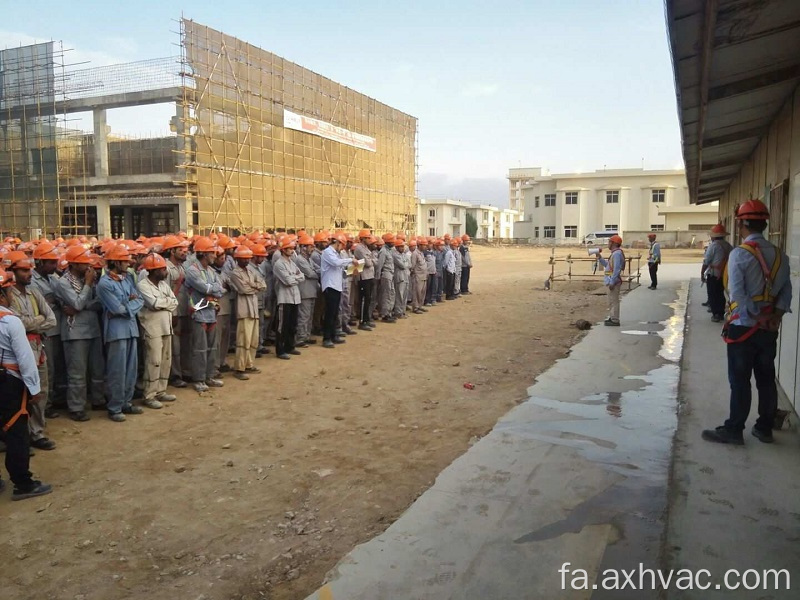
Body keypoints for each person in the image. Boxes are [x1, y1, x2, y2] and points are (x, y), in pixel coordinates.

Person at [702, 199, 791, 445]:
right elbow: (786, 292)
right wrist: (774, 316)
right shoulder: (780, 255)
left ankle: (734, 429)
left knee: (740, 380)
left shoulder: (740, 254)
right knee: (766, 377)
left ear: (741, 224)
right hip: (768, 329)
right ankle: (764, 428)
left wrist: (755, 316)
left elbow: (738, 294)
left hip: (744, 326)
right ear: (764, 224)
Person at [0, 267, 52, 501]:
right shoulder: (10, 322)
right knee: (17, 432)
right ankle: (22, 482)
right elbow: (25, 359)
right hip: (11, 381)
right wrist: (33, 390)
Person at [6, 251, 57, 450]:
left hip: (37, 347)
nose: (29, 274)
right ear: (12, 271)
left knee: (40, 391)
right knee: (20, 394)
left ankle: (36, 433)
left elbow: (51, 319)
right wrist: (36, 322)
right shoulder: (7, 295)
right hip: (17, 351)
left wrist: (31, 323)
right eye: (24, 270)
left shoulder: (34, 292)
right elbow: (17, 323)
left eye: (29, 270)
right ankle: (21, 437)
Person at [55, 245, 106, 421]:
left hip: (93, 329)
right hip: (74, 332)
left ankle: (98, 400)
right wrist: (87, 286)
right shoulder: (64, 282)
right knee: (77, 373)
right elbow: (77, 304)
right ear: (74, 264)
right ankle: (76, 407)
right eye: (84, 264)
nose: (89, 267)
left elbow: (99, 302)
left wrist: (82, 305)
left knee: (97, 369)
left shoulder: (89, 278)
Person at [96, 243, 145, 422]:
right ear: (115, 262)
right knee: (117, 370)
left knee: (130, 369)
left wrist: (127, 306)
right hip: (116, 331)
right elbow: (117, 309)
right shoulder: (104, 283)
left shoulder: (126, 279)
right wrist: (128, 305)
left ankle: (126, 402)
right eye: (124, 261)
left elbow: (140, 299)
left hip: (130, 329)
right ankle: (115, 406)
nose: (128, 263)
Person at [136, 253, 178, 409]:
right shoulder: (143, 285)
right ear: (153, 271)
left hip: (166, 326)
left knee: (166, 360)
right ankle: (149, 395)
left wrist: (164, 303)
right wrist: (166, 303)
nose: (165, 271)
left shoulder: (163, 285)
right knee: (153, 361)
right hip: (152, 328)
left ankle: (161, 391)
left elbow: (175, 302)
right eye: (162, 269)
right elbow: (153, 303)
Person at [31, 242, 67, 419]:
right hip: (47, 331)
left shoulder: (54, 278)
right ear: (39, 262)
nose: (54, 265)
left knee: (60, 367)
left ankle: (59, 398)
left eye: (55, 262)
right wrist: (52, 301)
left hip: (60, 326)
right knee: (49, 369)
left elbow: (58, 299)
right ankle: (48, 405)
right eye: (50, 262)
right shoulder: (31, 280)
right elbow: (41, 306)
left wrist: (53, 301)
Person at [184, 237, 225, 393]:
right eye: (211, 253)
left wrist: (211, 289)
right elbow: (204, 288)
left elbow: (220, 289)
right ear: (203, 253)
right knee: (200, 348)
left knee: (212, 347)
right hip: (199, 313)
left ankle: (209, 376)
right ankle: (199, 379)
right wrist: (212, 289)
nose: (214, 255)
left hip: (211, 312)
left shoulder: (211, 271)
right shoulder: (192, 270)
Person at [227, 245, 265, 378]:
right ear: (238, 259)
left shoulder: (250, 271)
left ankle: (249, 364)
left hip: (253, 308)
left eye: (248, 258)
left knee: (253, 339)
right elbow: (244, 290)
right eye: (244, 259)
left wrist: (253, 286)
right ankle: (239, 368)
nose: (247, 261)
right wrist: (255, 287)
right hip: (244, 309)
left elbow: (263, 284)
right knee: (243, 340)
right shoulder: (235, 273)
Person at [161, 235, 191, 388]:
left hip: (184, 308)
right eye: (180, 250)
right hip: (174, 311)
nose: (184, 252)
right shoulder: (166, 267)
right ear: (171, 251)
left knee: (185, 344)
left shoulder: (181, 266)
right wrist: (173, 313)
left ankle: (185, 371)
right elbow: (166, 292)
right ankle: (175, 375)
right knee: (175, 346)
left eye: (185, 250)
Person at [321, 234, 359, 348]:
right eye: (342, 246)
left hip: (337, 286)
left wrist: (351, 271)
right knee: (330, 313)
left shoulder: (336, 254)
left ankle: (333, 335)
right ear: (338, 243)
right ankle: (326, 338)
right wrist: (351, 260)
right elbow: (336, 263)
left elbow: (341, 270)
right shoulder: (327, 252)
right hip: (330, 286)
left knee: (335, 313)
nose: (342, 248)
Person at [272, 238, 304, 359]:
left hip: (295, 297)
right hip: (284, 298)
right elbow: (287, 281)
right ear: (283, 249)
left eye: (292, 248)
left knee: (292, 324)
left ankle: (290, 346)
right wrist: (295, 277)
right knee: (282, 326)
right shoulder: (279, 264)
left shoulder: (292, 262)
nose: (292, 250)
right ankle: (280, 350)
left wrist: (294, 277)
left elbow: (302, 276)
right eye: (289, 248)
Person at [701, 225, 733, 323]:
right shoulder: (728, 246)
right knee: (720, 293)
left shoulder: (713, 246)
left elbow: (706, 261)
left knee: (712, 294)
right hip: (725, 274)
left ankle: (716, 314)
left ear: (713, 236)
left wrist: (702, 273)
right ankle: (721, 311)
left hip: (714, 274)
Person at [294, 234, 320, 344]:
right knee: (304, 316)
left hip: (311, 291)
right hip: (305, 292)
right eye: (310, 247)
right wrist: (318, 273)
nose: (313, 249)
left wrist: (318, 272)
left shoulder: (308, 259)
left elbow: (319, 269)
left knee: (309, 316)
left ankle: (306, 336)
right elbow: (310, 273)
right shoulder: (300, 260)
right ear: (304, 247)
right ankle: (301, 337)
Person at [596, 234, 625, 326]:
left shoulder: (616, 254)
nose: (608, 244)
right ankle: (612, 317)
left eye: (609, 242)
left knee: (614, 300)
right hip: (611, 280)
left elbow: (616, 269)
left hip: (613, 281)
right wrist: (600, 258)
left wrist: (612, 282)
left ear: (614, 243)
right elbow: (608, 266)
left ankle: (615, 319)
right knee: (611, 300)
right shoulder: (615, 253)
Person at [376, 233, 396, 323]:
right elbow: (379, 265)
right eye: (392, 241)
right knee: (386, 295)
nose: (393, 243)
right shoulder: (383, 251)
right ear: (388, 242)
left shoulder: (389, 250)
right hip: (386, 274)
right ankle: (385, 314)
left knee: (391, 294)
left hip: (390, 274)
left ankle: (388, 312)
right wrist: (378, 277)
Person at [410, 239, 428, 314]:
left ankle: (420, 306)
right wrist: (414, 274)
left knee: (422, 292)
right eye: (424, 245)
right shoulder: (415, 254)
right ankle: (415, 307)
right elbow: (412, 266)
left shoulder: (421, 253)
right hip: (417, 276)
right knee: (417, 292)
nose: (425, 246)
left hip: (423, 275)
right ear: (419, 245)